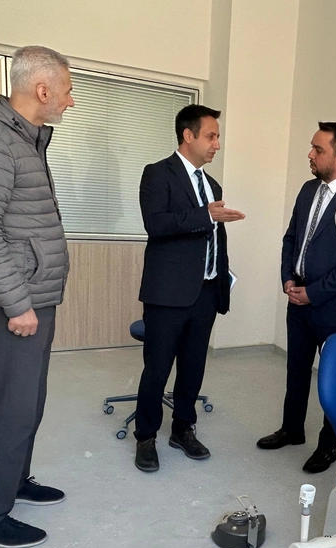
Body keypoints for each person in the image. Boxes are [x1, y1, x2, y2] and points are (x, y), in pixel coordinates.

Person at [0, 46, 75, 548]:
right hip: (15, 301)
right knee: (13, 408)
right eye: (67, 91)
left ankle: (14, 481)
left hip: (31, 294)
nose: (70, 101)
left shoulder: (25, 136)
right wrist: (18, 304)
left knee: (30, 401)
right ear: (42, 90)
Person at [132, 105, 245, 472]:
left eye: (218, 137)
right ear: (188, 135)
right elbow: (156, 224)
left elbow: (214, 239)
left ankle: (183, 429)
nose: (217, 144)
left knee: (193, 367)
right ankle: (146, 437)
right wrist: (206, 215)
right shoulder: (157, 174)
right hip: (167, 294)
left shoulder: (213, 186)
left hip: (205, 292)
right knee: (157, 369)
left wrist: (222, 279)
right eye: (211, 136)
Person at [257, 122, 336, 473]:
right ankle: (292, 429)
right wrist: (287, 278)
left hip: (333, 305)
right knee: (296, 369)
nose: (310, 154)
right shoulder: (308, 189)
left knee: (334, 378)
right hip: (298, 297)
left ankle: (328, 446)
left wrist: (314, 292)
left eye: (318, 149)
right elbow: (291, 238)